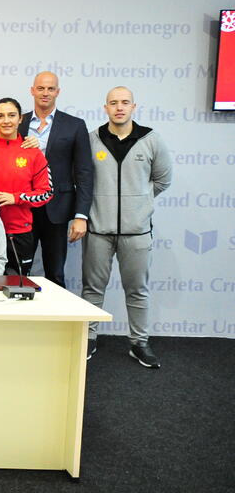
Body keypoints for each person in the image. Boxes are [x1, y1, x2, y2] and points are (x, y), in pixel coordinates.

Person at [82, 86, 172, 367]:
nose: (119, 107)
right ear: (105, 107)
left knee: (137, 290)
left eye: (124, 102)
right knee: (92, 289)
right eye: (113, 103)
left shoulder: (151, 139)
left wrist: (139, 204)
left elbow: (162, 180)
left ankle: (139, 343)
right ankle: (89, 338)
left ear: (134, 106)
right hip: (99, 231)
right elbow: (83, 180)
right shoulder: (92, 139)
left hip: (137, 233)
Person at [17, 71, 94, 289]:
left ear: (58, 92)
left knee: (55, 275)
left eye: (50, 89)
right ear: (32, 90)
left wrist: (81, 216)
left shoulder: (75, 125)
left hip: (57, 209)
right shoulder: (17, 122)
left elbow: (84, 172)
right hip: (23, 208)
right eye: (40, 88)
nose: (45, 93)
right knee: (18, 274)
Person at [0, 98, 53, 276]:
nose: (6, 120)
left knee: (16, 286)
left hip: (18, 232)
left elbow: (46, 192)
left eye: (11, 115)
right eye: (0, 116)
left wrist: (16, 198)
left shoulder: (33, 152)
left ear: (20, 119)